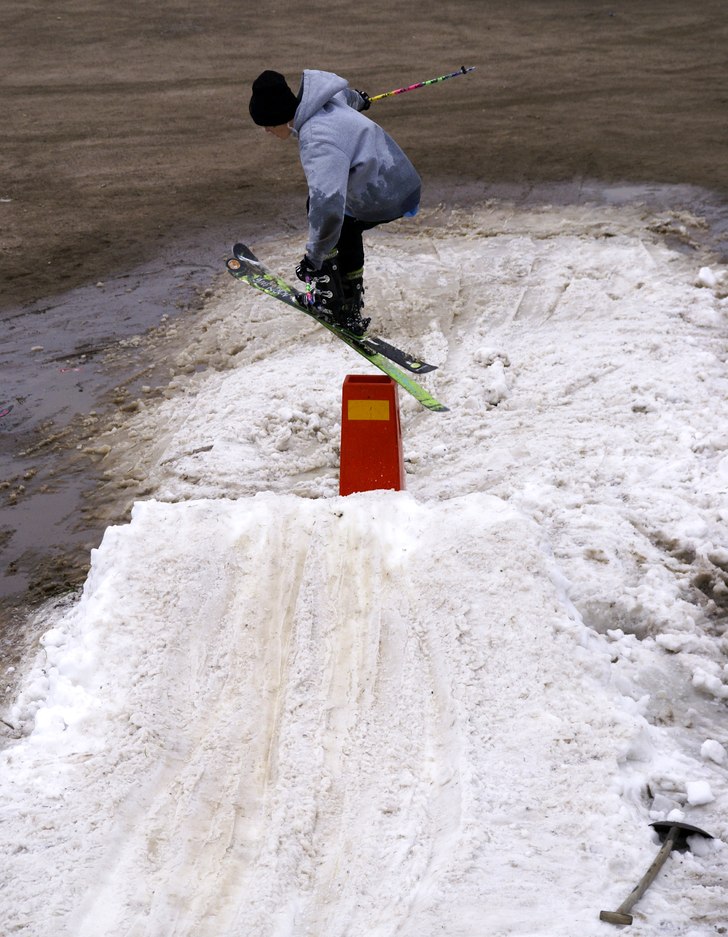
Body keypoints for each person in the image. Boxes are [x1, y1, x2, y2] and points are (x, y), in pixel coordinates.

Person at [249, 69, 421, 335]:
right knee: (345, 224)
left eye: (267, 124)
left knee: (329, 214)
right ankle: (347, 302)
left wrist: (313, 259)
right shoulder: (323, 103)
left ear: (278, 117)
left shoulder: (318, 140)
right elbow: (345, 95)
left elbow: (327, 206)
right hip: (399, 179)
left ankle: (333, 301)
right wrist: (360, 99)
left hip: (386, 193)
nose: (266, 131)